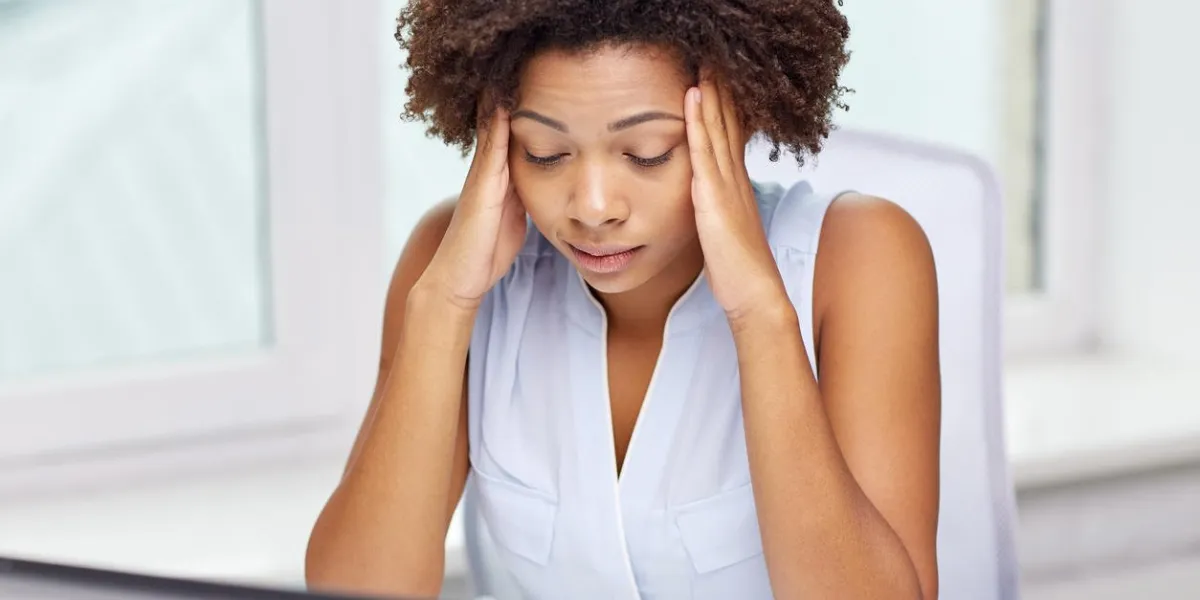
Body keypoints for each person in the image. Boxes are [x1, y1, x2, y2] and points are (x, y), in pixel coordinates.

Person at [305, 1, 941, 599]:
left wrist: (759, 315)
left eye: (646, 154)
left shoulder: (857, 259)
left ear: (740, 115)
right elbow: (356, 589)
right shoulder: (451, 269)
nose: (593, 207)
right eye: (545, 154)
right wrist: (442, 309)